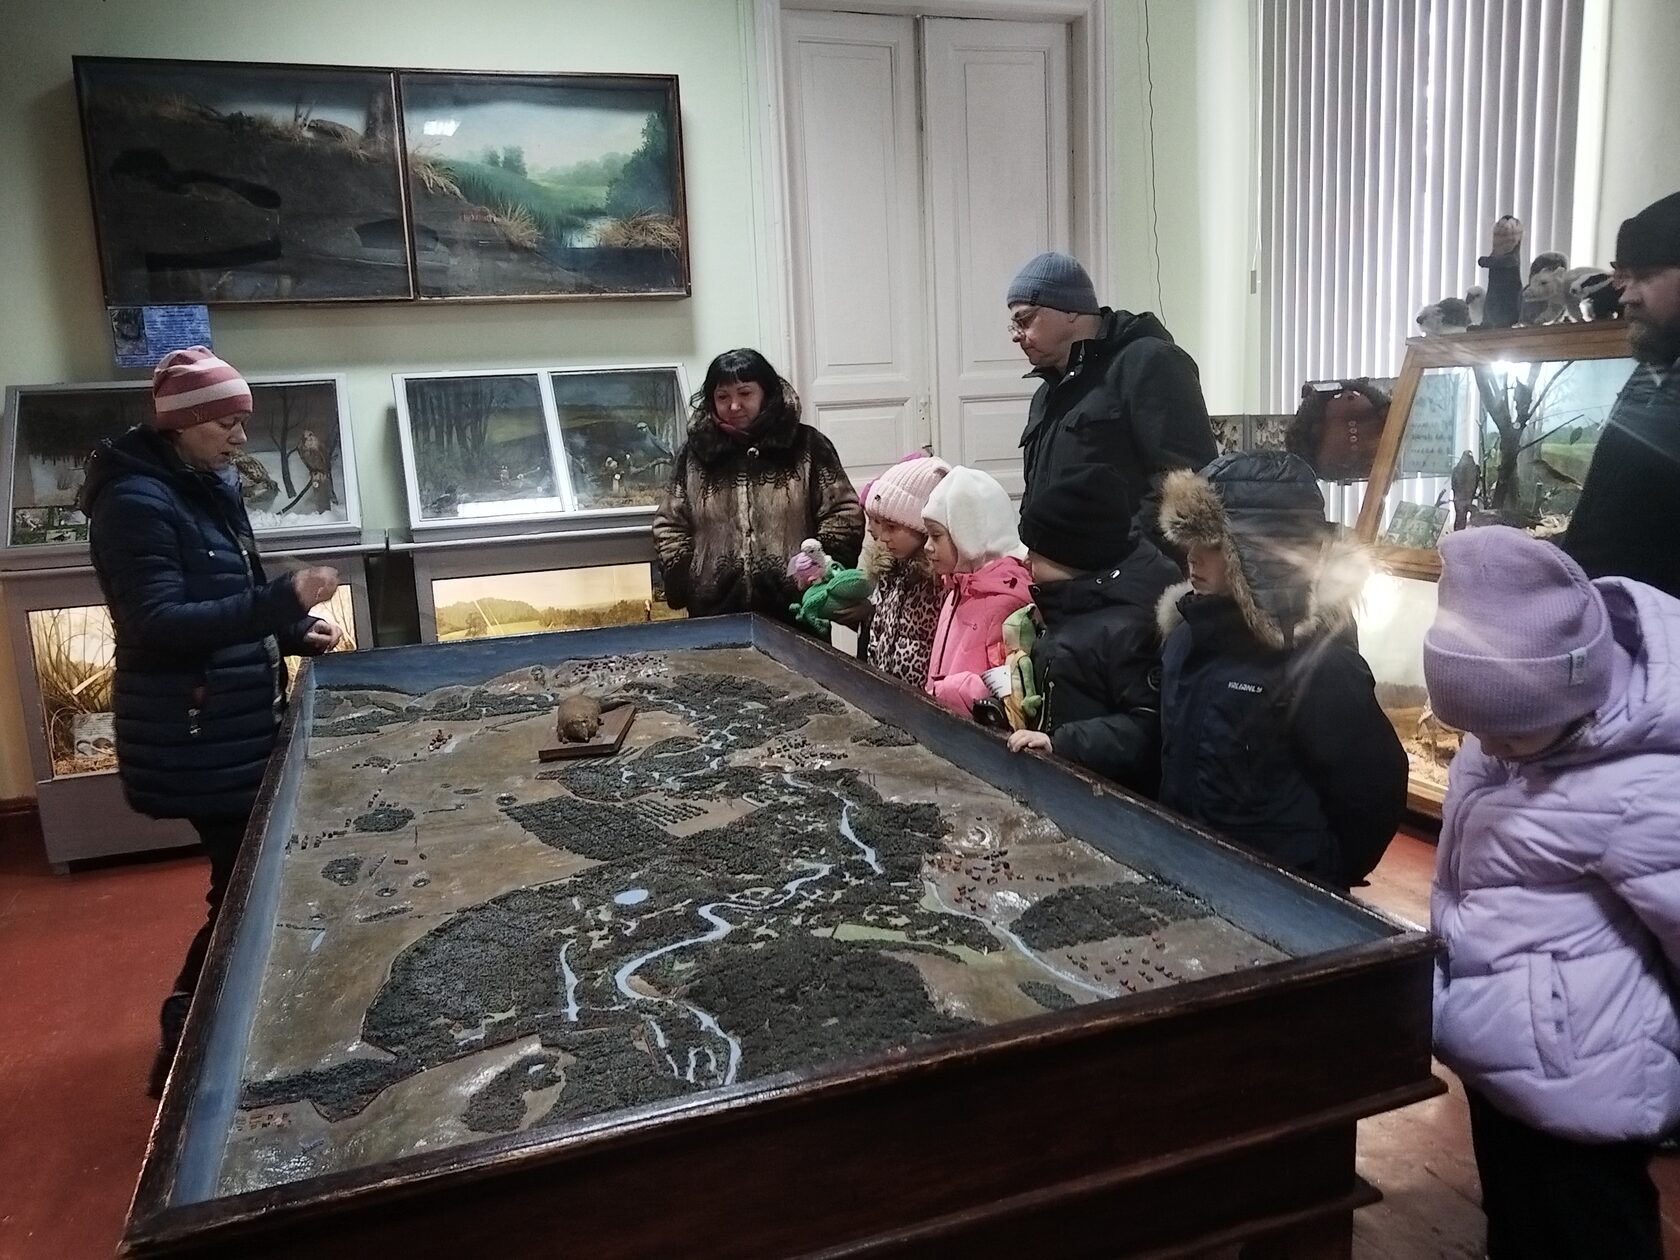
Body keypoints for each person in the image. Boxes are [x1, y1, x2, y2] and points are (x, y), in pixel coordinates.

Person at [79, 346, 342, 1096]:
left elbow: (224, 593)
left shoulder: (201, 486)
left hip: (233, 723)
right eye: (225, 422)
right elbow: (159, 623)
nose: (240, 437)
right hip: (196, 733)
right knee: (242, 891)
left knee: (246, 882)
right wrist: (283, 600)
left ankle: (218, 1028)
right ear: (184, 422)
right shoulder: (136, 503)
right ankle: (188, 1036)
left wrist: (290, 633)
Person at [1424, 526, 1680, 1260]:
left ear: (1575, 692)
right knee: (1518, 1217)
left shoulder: (1642, 788)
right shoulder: (1508, 739)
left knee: (1588, 1229)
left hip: (1587, 1078)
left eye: (1507, 732)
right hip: (1501, 1049)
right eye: (1472, 728)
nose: (1485, 745)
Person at [1154, 451, 1405, 888]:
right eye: (1190, 542)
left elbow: (1373, 789)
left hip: (1281, 893)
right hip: (1189, 877)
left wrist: (1322, 871)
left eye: (1214, 545)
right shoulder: (1185, 638)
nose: (1193, 558)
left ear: (1259, 555)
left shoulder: (1319, 665)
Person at [1008, 250, 1217, 555]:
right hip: (1058, 576)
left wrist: (1123, 559)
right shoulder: (1046, 394)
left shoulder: (1148, 363)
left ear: (1070, 310)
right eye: (1014, 325)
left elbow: (1183, 484)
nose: (1017, 335)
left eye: (1025, 319)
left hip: (1127, 574)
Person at [1005, 462, 1180, 797]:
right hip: (1063, 783)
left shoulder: (1127, 629)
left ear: (1071, 556)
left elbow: (1148, 727)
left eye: (1036, 552)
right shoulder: (1066, 606)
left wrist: (1063, 744)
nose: (1025, 561)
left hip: (1106, 799)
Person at [653, 348, 863, 620]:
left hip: (796, 609)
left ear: (766, 392)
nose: (734, 406)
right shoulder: (695, 453)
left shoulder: (807, 446)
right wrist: (686, 577)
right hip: (714, 610)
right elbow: (669, 523)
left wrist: (820, 573)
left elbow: (843, 513)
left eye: (745, 393)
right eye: (723, 397)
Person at [1563, 190, 1680, 598]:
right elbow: (1609, 518)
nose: (1627, 295)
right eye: (1625, 277)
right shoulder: (1654, 366)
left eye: (1646, 276)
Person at [919, 466, 1032, 717]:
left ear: (968, 534)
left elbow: (1012, 687)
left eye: (936, 536)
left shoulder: (1005, 602)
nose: (927, 546)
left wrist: (949, 691)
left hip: (975, 732)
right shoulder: (956, 588)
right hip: (947, 722)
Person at [857, 453, 949, 687]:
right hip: (883, 692)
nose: (882, 536)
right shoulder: (890, 569)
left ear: (921, 526)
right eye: (879, 524)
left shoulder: (940, 582)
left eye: (892, 527)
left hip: (920, 700)